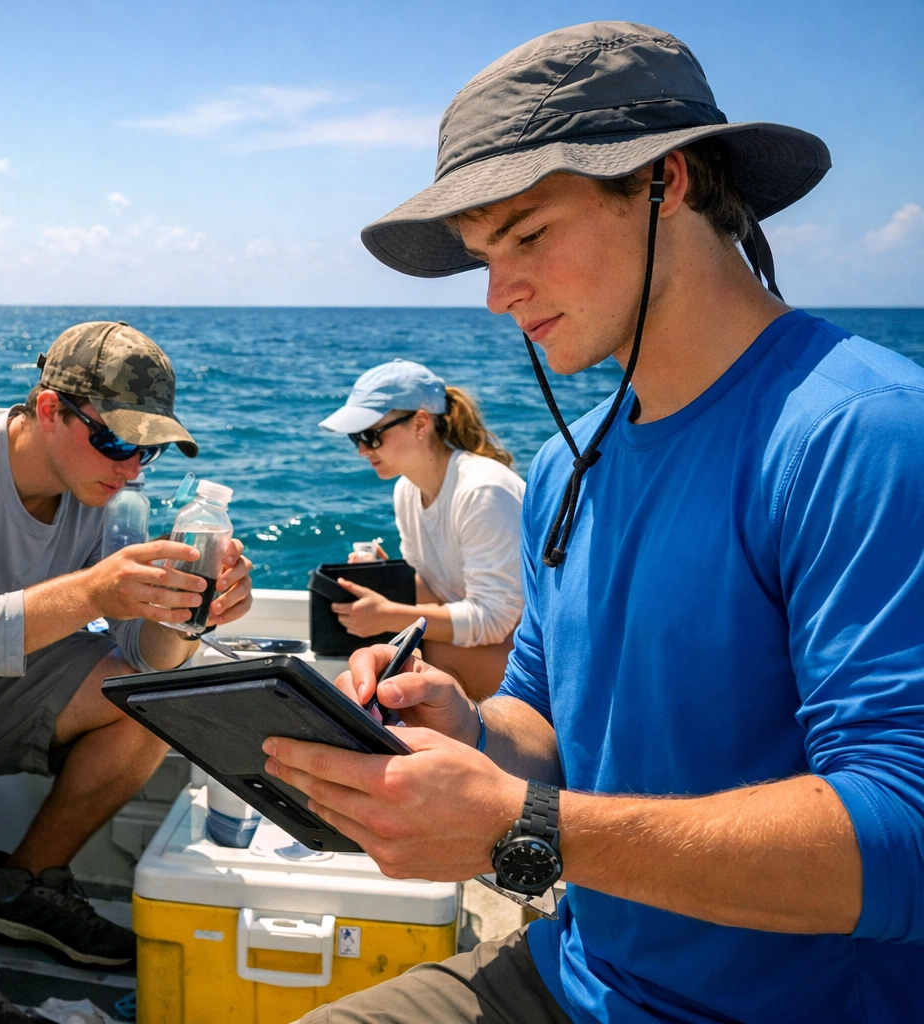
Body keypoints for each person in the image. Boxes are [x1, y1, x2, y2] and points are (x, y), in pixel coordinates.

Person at [263, 21, 924, 1024]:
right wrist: (466, 725)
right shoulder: (566, 466)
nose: (497, 296)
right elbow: (542, 718)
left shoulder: (862, 434)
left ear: (669, 180)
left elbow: (903, 837)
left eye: (527, 235)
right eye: (484, 256)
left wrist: (523, 831)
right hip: (579, 970)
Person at [0, 321, 254, 1024]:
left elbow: (141, 652)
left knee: (152, 700)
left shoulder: (102, 498)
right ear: (46, 408)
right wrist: (92, 592)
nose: (131, 468)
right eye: (117, 441)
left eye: (147, 451)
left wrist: (188, 616)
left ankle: (22, 886)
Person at [320, 360, 524, 697]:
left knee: (416, 658)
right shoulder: (407, 489)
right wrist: (388, 576)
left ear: (420, 423)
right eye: (355, 437)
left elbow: (494, 619)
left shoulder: (483, 490)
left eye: (371, 435)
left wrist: (388, 616)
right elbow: (435, 590)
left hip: (532, 658)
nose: (361, 450)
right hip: (490, 646)